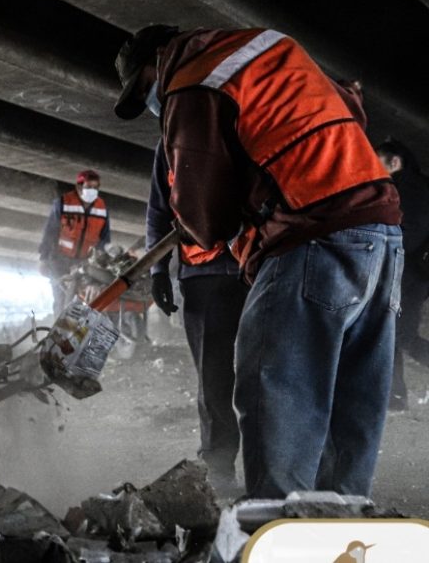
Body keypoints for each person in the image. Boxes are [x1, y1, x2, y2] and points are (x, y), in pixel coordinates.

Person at [114, 25, 402, 498]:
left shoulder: (189, 79)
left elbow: (203, 214)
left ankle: (278, 529)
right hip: (380, 229)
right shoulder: (272, 50)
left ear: (157, 62)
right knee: (351, 402)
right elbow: (351, 111)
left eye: (145, 89)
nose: (152, 102)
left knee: (275, 393)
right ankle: (343, 527)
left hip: (311, 232)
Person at [148, 140, 248, 491]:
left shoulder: (241, 124)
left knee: (266, 377)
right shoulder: (170, 143)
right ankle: (219, 467)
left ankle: (271, 471)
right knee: (213, 379)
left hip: (254, 272)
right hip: (202, 277)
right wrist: (158, 269)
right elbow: (160, 209)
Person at [375, 139, 429, 411]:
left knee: (399, 336)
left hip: (411, 278)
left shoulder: (413, 191)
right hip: (408, 275)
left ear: (395, 163)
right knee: (393, 333)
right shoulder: (408, 187)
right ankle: (394, 396)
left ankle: (395, 396)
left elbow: (411, 234)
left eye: (380, 163)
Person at [38, 170, 111, 316]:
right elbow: (50, 232)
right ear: (79, 187)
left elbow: (103, 240)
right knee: (61, 298)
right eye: (89, 187)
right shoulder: (63, 203)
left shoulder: (101, 208)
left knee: (82, 299)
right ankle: (59, 334)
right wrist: (43, 258)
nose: (93, 191)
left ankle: (77, 332)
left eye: (96, 188)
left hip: (83, 262)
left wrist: (99, 261)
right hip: (59, 260)